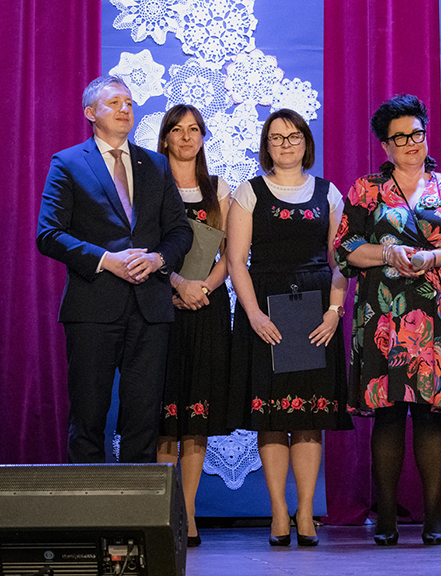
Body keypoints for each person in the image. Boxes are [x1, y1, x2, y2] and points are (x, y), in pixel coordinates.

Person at [334, 94, 441, 546]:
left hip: (435, 315)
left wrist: (432, 256)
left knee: (431, 416)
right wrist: (387, 253)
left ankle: (434, 516)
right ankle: (386, 518)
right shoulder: (366, 189)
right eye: (399, 138)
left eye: (416, 133)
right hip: (383, 316)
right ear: (385, 146)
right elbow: (344, 249)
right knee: (389, 416)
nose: (411, 143)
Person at [37, 76, 192, 463]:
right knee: (88, 419)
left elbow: (179, 232)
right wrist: (108, 260)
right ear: (91, 113)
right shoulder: (68, 162)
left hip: (150, 310)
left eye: (129, 102)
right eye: (114, 103)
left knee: (143, 421)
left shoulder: (156, 164)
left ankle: (136, 505)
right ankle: (85, 503)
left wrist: (158, 259)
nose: (125, 109)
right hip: (92, 309)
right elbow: (48, 234)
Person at [226, 108, 352, 548]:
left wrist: (334, 311)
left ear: (306, 142)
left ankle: (306, 511)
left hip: (315, 312)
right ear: (267, 145)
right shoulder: (249, 192)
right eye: (276, 137)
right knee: (272, 415)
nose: (285, 144)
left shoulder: (329, 192)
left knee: (310, 415)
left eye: (293, 136)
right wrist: (254, 314)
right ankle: (279, 510)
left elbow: (341, 261)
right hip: (265, 310)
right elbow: (236, 261)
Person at [154, 104, 233, 547]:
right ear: (165, 137)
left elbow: (231, 255)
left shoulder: (218, 188)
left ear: (203, 137)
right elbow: (143, 246)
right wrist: (177, 284)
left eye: (194, 130)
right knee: (165, 414)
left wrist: (202, 287)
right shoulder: (150, 184)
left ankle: (187, 512)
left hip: (207, 307)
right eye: (178, 130)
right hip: (160, 306)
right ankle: (163, 513)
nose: (187, 137)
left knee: (196, 414)